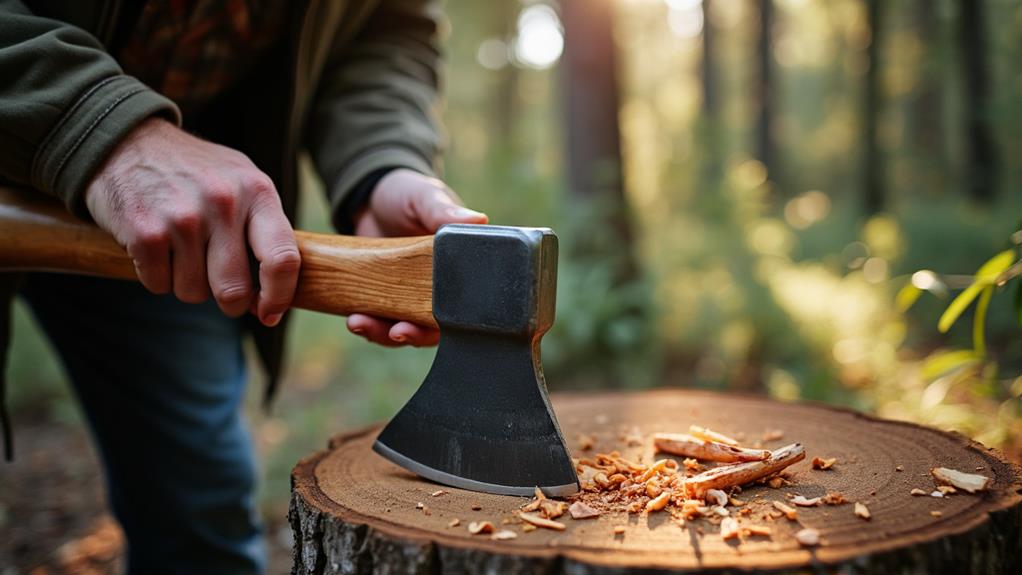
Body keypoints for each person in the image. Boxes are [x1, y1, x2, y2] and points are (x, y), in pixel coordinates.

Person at [0, 1, 486, 573]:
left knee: (199, 520)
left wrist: (381, 163)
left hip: (190, 225)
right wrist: (102, 127)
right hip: (131, 154)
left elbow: (383, 23)